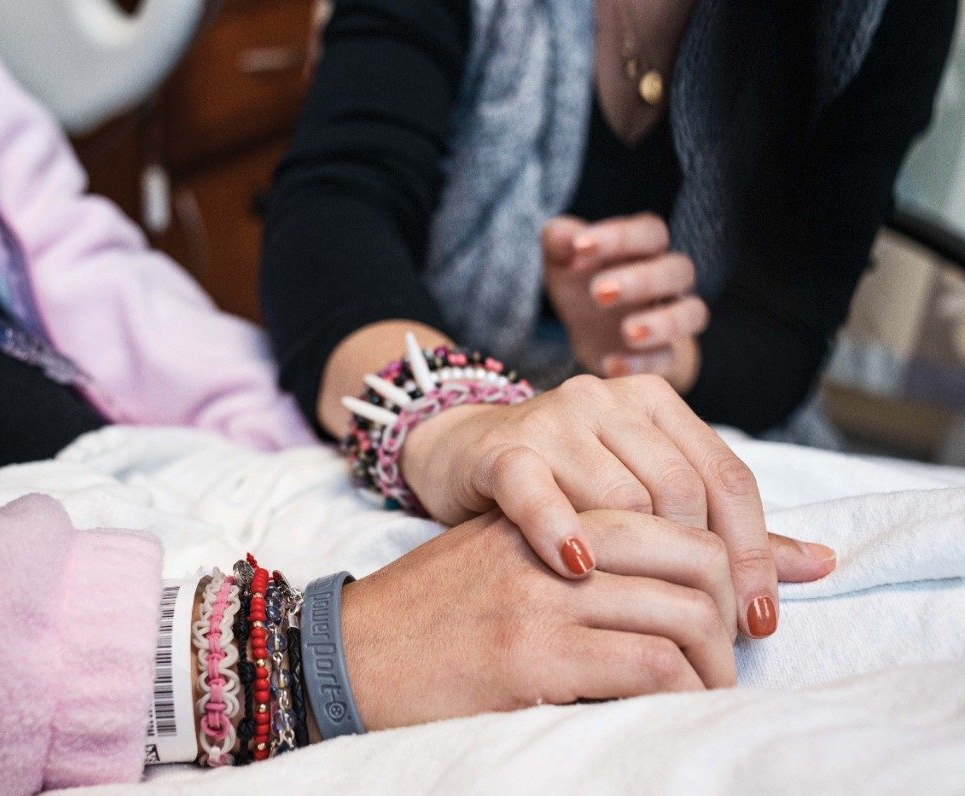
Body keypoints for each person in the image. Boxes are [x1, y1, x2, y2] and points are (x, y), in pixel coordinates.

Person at [0, 0, 834, 796]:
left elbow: (79, 259)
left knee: (849, 608)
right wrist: (291, 649)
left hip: (201, 485)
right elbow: (332, 206)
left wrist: (386, 438)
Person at [258, 0, 953, 629]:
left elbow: (789, 331)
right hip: (418, 413)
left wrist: (659, 354)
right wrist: (452, 418)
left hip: (735, 432)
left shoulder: (880, 17)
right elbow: (332, 216)